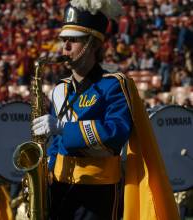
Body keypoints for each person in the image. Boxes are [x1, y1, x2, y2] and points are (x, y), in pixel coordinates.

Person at [32, 0, 180, 219]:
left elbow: (116, 132)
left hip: (96, 192)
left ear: (93, 44)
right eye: (64, 40)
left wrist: (65, 128)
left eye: (73, 41)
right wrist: (46, 174)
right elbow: (55, 143)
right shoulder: (59, 90)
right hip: (60, 189)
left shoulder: (114, 85)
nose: (65, 48)